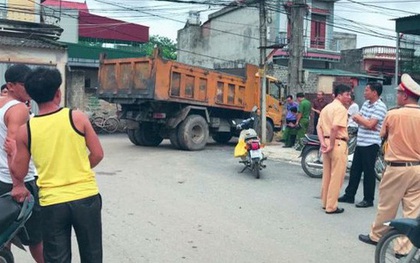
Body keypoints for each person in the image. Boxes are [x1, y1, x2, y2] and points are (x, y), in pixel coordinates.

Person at [8, 67, 104, 262]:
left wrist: (13, 152)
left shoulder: (26, 130)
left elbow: (19, 171)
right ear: (58, 93)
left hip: (52, 202)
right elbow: (98, 154)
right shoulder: (76, 117)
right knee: (92, 254)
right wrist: (78, 168)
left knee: (56, 258)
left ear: (32, 97)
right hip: (86, 197)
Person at [359, 74, 420, 245]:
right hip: (417, 168)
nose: (398, 95)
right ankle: (405, 247)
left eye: (399, 93)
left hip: (397, 167)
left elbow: (383, 135)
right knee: (412, 210)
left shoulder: (393, 115)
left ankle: (377, 236)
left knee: (387, 206)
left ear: (406, 96)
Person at [0, 64, 44, 263]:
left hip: (2, 180)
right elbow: (12, 148)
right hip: (17, 182)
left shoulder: (2, 104)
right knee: (37, 237)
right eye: (26, 85)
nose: (32, 88)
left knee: (5, 234)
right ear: (10, 85)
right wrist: (18, 184)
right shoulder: (19, 109)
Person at [338, 83, 387, 208]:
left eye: (367, 90)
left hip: (371, 143)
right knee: (355, 170)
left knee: (368, 171)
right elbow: (359, 119)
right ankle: (349, 195)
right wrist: (365, 121)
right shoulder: (366, 104)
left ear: (375, 92)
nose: (364, 92)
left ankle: (368, 199)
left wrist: (364, 121)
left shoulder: (380, 107)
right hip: (361, 141)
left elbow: (371, 124)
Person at [316, 84, 351, 214]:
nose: (349, 97)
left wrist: (323, 143)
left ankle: (325, 202)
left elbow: (318, 127)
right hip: (337, 143)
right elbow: (335, 128)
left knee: (327, 175)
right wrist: (331, 144)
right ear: (339, 95)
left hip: (326, 141)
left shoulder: (326, 108)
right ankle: (332, 206)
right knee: (337, 176)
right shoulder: (340, 109)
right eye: (347, 94)